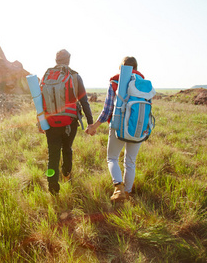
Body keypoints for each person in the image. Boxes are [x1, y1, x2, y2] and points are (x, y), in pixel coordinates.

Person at [86, 56, 144, 202]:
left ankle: (118, 189)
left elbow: (107, 110)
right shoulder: (144, 83)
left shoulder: (115, 82)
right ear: (136, 68)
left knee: (112, 158)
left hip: (118, 127)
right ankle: (128, 193)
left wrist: (94, 126)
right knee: (130, 161)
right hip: (137, 128)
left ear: (122, 68)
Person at [39, 49, 93, 195]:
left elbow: (39, 101)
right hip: (70, 121)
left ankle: (52, 186)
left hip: (50, 121)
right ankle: (66, 174)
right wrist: (90, 122)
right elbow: (84, 101)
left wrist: (40, 121)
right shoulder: (75, 76)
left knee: (53, 153)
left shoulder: (47, 75)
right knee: (67, 148)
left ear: (56, 60)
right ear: (68, 60)